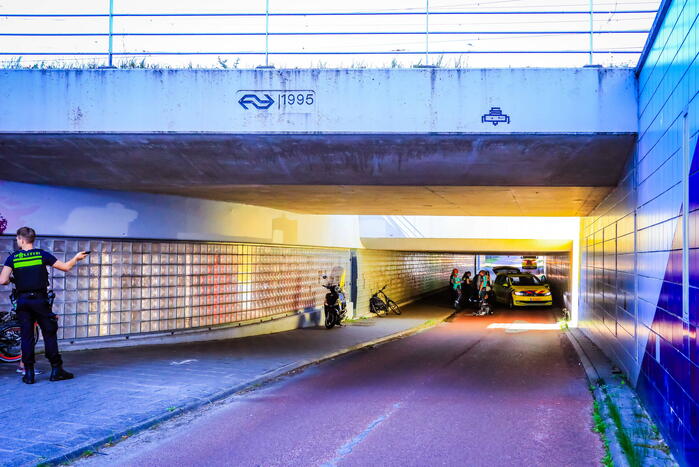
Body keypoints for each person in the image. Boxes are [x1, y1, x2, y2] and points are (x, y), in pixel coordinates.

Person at [0, 227, 88, 384]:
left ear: (20, 239)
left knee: (26, 336)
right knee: (49, 333)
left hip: (23, 302)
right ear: (32, 239)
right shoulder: (42, 255)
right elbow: (66, 267)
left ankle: (29, 374)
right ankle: (56, 370)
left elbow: (2, 280)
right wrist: (75, 258)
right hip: (40, 301)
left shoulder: (13, 258)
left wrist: (15, 279)